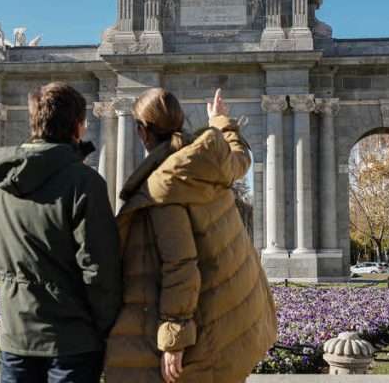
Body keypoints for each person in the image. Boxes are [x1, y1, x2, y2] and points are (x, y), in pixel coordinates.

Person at [105, 88, 277, 383]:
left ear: (142, 132)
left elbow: (180, 266)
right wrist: (220, 121)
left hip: (199, 326)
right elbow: (239, 155)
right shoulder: (208, 163)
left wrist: (174, 339)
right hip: (232, 317)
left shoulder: (164, 184)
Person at [0, 82, 121, 383]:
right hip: (72, 341)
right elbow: (99, 270)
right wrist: (107, 327)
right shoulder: (85, 182)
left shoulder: (3, 182)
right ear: (78, 126)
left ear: (34, 121)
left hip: (16, 335)